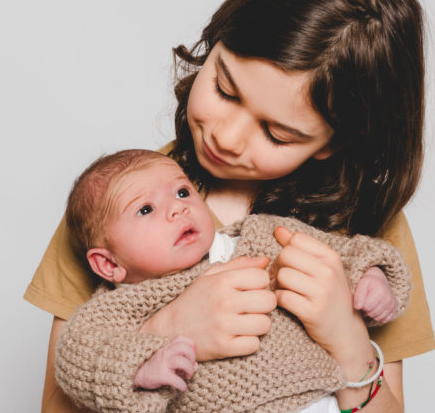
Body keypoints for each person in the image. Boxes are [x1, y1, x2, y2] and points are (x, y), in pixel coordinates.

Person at [25, 0, 435, 412]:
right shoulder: (117, 203)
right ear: (215, 40)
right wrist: (169, 327)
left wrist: (348, 341)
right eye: (224, 88)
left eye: (276, 133)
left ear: (331, 143)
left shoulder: (366, 218)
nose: (227, 136)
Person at [54, 149, 410, 412]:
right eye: (145, 209)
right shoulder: (121, 304)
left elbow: (343, 252)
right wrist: (140, 365)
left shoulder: (263, 235)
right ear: (108, 263)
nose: (178, 208)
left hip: (316, 398)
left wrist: (372, 277)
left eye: (182, 192)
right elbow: (77, 356)